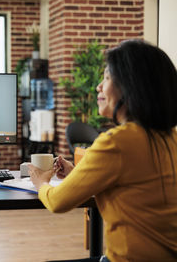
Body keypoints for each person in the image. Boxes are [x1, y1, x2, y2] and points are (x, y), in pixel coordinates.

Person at [28, 40, 177, 262]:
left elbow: (57, 202)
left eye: (106, 78)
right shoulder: (170, 137)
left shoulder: (117, 142)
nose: (99, 86)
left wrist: (41, 183)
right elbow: (132, 189)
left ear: (130, 86)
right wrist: (76, 174)